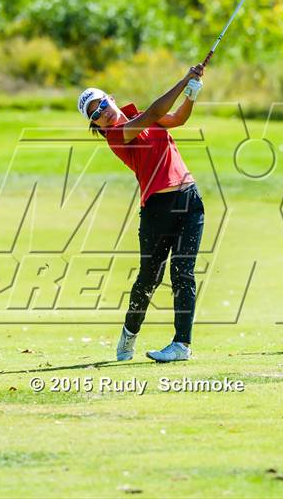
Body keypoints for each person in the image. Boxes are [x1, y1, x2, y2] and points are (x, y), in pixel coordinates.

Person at [77, 64, 205, 362]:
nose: (103, 113)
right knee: (149, 277)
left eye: (103, 104)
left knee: (183, 272)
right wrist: (184, 78)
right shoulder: (117, 135)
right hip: (156, 210)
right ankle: (129, 333)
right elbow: (153, 115)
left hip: (188, 199)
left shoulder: (140, 117)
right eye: (95, 114)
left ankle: (181, 345)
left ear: (111, 98)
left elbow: (178, 119)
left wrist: (192, 95)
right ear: (95, 125)